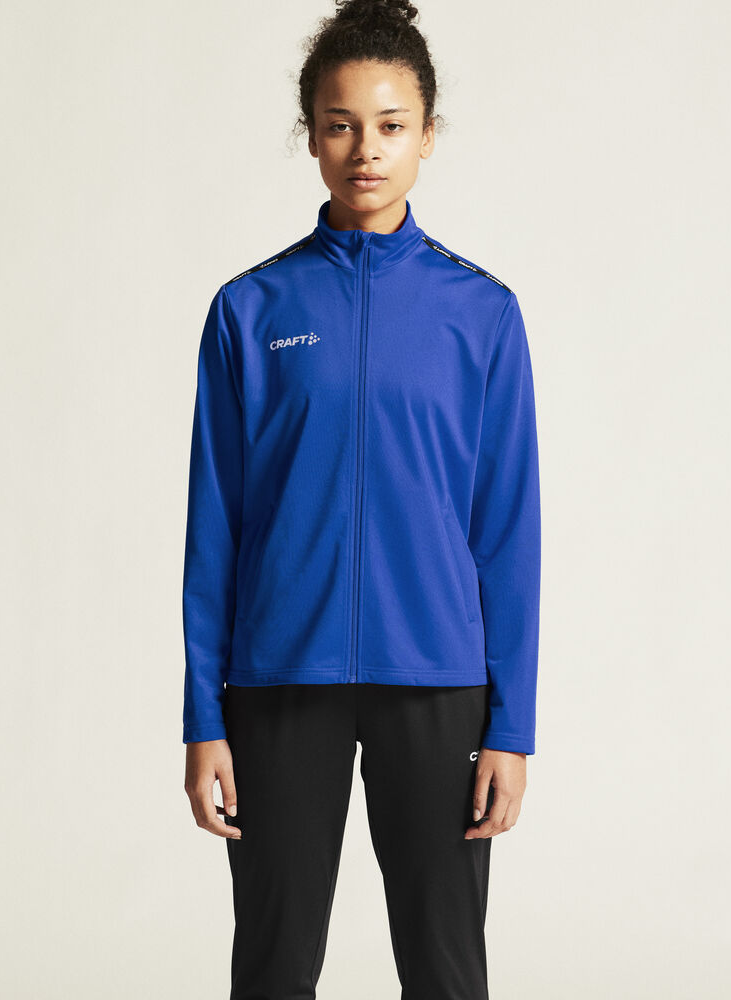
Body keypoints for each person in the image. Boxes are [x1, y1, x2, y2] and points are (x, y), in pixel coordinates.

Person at [182, 1, 541, 997]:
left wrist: (511, 726)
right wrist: (202, 716)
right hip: (277, 678)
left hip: (437, 680)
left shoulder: (483, 314)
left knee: (445, 970)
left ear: (428, 135)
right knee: (272, 970)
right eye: (340, 124)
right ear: (311, 136)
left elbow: (508, 533)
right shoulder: (250, 310)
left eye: (391, 124)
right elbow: (215, 526)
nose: (366, 149)